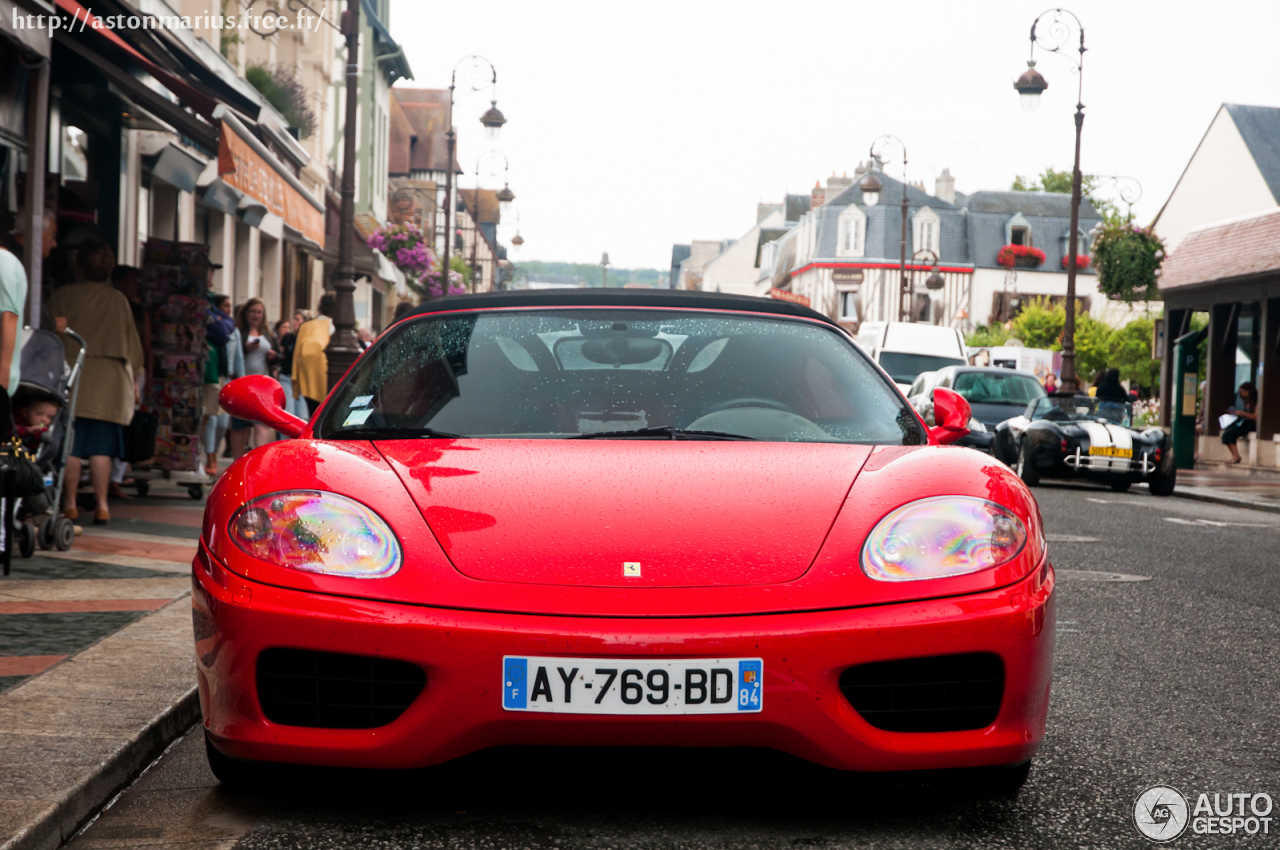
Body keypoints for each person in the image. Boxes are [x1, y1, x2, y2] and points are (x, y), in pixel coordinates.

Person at [49, 238, 145, 525]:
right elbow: (133, 344)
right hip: (110, 381)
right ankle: (102, 505)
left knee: (72, 445)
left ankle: (70, 504)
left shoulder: (62, 295)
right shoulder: (117, 299)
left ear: (78, 265)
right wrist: (136, 375)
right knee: (102, 447)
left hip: (73, 374)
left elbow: (48, 334)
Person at [1, 210, 55, 398]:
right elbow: (9, 315)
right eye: (52, 236)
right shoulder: (11, 262)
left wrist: (4, 373)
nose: (55, 243)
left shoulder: (7, 261)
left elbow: (10, 315)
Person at [228, 298, 277, 457]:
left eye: (259, 312)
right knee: (240, 427)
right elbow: (231, 354)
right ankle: (237, 462)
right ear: (246, 313)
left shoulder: (268, 335)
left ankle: (259, 463)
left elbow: (279, 357)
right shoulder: (238, 332)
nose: (256, 315)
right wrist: (245, 348)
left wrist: (274, 356)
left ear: (263, 314)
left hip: (262, 388)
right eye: (252, 311)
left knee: (261, 425)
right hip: (241, 386)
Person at [201, 293, 244, 475]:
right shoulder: (210, 327)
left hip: (227, 379)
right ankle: (210, 455)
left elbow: (239, 357)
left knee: (222, 423)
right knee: (210, 418)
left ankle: (214, 450)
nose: (228, 309)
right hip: (212, 375)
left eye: (230, 306)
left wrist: (241, 383)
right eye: (225, 306)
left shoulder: (232, 330)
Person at [292, 294, 335, 416]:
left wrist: (295, 382)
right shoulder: (336, 326)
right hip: (330, 379)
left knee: (313, 414)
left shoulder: (306, 326)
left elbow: (297, 355)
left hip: (307, 379)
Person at [1222, 381, 1258, 465]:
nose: (1242, 394)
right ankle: (1235, 455)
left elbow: (1255, 416)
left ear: (1249, 391)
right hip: (1244, 422)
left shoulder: (1255, 401)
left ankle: (1236, 456)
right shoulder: (1246, 402)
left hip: (1251, 423)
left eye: (1244, 392)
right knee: (1226, 433)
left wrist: (1242, 413)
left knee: (1231, 433)